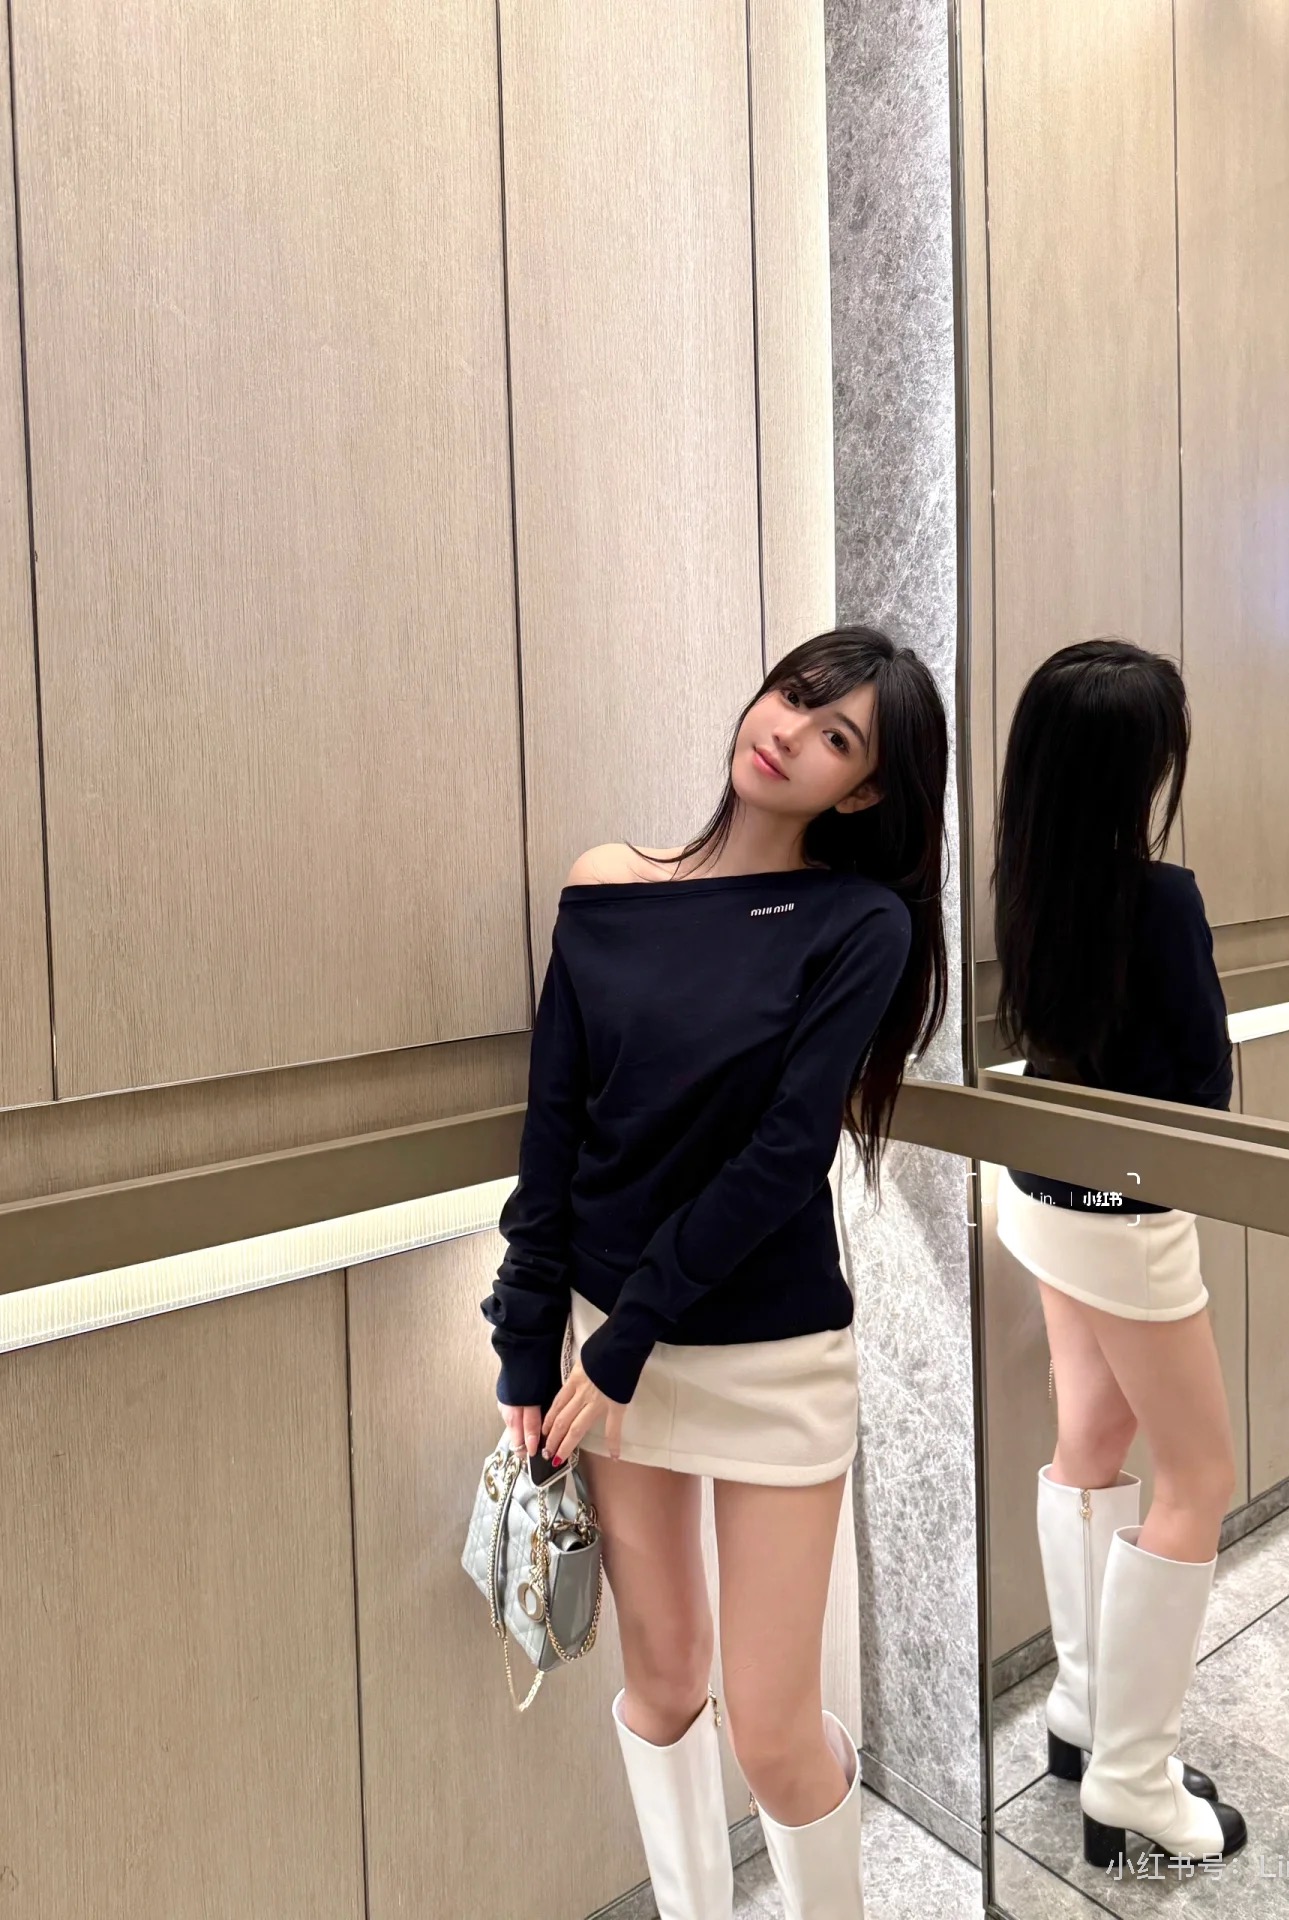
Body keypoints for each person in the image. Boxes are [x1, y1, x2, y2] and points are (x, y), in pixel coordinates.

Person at [481, 626, 949, 1919]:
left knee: (775, 1728)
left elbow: (787, 1152)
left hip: (765, 1357)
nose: (790, 731)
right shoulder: (606, 886)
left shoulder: (856, 923)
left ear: (861, 790)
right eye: (795, 696)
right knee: (663, 1681)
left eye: (837, 736)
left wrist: (626, 1335)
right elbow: (555, 1133)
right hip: (607, 1345)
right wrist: (529, 1346)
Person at [990, 638, 1247, 1874]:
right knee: (1198, 1477)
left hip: (1044, 1196)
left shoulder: (1028, 884)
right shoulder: (1160, 898)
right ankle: (1133, 1784)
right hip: (1133, 1222)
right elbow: (1202, 1088)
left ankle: (1088, 1713)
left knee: (1090, 1437)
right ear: (1143, 767)